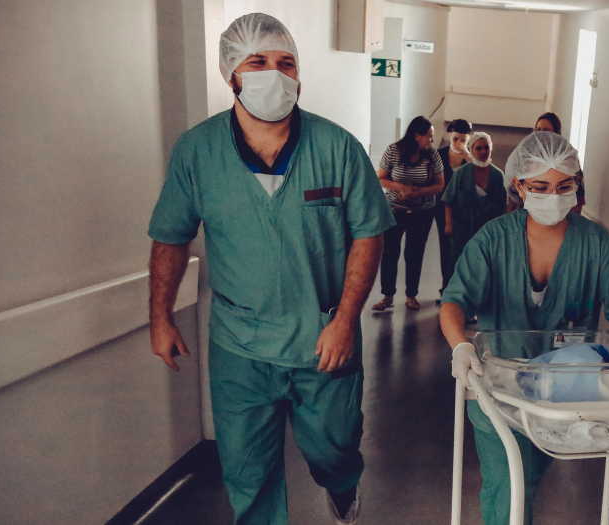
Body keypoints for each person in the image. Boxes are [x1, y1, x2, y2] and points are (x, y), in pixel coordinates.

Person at [147, 13, 393, 525]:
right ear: (230, 74)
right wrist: (161, 317)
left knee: (335, 449)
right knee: (247, 471)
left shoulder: (337, 148)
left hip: (323, 336)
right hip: (241, 346)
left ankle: (342, 488)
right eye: (256, 62)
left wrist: (346, 320)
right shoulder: (197, 152)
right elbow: (171, 237)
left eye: (286, 63)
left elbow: (369, 232)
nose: (274, 74)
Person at [439, 131, 609, 525]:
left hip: (566, 391)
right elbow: (454, 301)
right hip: (497, 386)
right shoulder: (492, 241)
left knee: (528, 477)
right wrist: (461, 347)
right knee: (507, 483)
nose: (554, 196)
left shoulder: (596, 245)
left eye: (564, 186)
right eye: (541, 187)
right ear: (518, 185)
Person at [373, 116, 445, 311]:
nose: (431, 140)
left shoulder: (433, 156)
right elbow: (380, 179)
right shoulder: (393, 151)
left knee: (414, 254)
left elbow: (440, 185)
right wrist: (401, 187)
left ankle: (411, 296)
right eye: (429, 136)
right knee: (389, 252)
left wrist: (416, 191)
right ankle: (387, 296)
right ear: (416, 136)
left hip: (422, 213)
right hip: (394, 211)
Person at [441, 132, 506, 269]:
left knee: (482, 267)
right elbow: (449, 201)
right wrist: (448, 224)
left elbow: (502, 207)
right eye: (478, 148)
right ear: (470, 150)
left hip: (487, 231)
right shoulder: (460, 174)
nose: (483, 151)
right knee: (457, 266)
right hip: (462, 230)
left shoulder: (498, 176)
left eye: (486, 147)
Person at [506, 113, 586, 215]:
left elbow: (578, 194)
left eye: (546, 130)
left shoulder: (567, 157)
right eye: (538, 130)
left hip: (559, 215)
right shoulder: (526, 155)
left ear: (557, 133)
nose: (541, 134)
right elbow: (514, 190)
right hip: (528, 215)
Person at [435, 119, 472, 304]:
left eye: (463, 140)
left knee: (464, 250)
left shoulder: (470, 158)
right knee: (446, 249)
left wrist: (468, 156)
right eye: (456, 138)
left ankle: (460, 291)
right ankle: (445, 288)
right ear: (450, 135)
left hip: (465, 210)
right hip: (442, 208)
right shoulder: (440, 155)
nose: (459, 143)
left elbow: (482, 174)